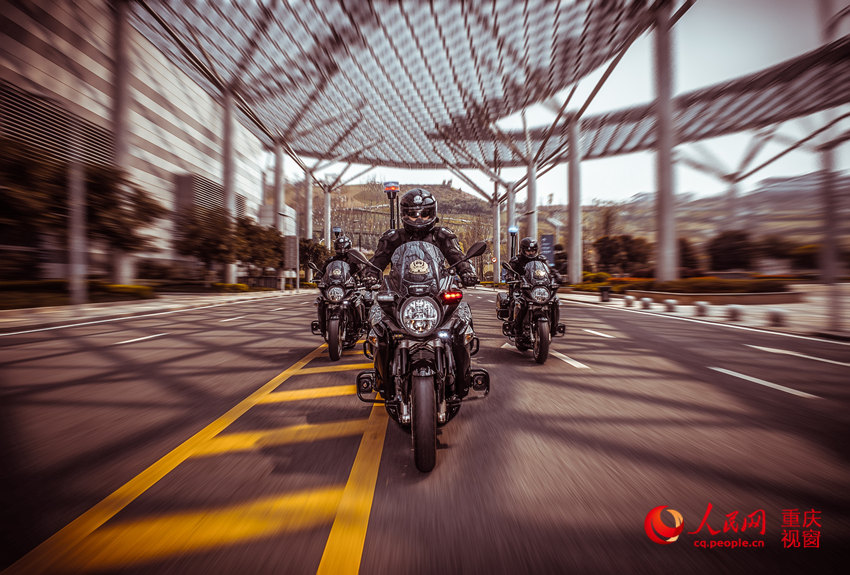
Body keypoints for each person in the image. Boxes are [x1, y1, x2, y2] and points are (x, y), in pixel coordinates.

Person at [367, 188, 478, 399]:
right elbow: (378, 260)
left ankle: (463, 379)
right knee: (380, 326)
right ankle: (382, 380)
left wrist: (467, 271)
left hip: (436, 294)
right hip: (402, 296)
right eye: (412, 214)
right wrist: (370, 274)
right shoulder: (393, 238)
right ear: (403, 214)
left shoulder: (442, 236)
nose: (418, 219)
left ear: (432, 213)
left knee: (460, 323)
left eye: (424, 214)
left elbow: (456, 255)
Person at [506, 237, 562, 337]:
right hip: (522, 287)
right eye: (528, 251)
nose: (531, 253)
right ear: (523, 250)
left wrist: (557, 275)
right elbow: (509, 271)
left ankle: (554, 327)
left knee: (555, 301)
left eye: (533, 250)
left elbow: (549, 269)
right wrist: (509, 276)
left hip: (538, 287)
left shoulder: (541, 259)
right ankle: (514, 326)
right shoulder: (516, 260)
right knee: (517, 301)